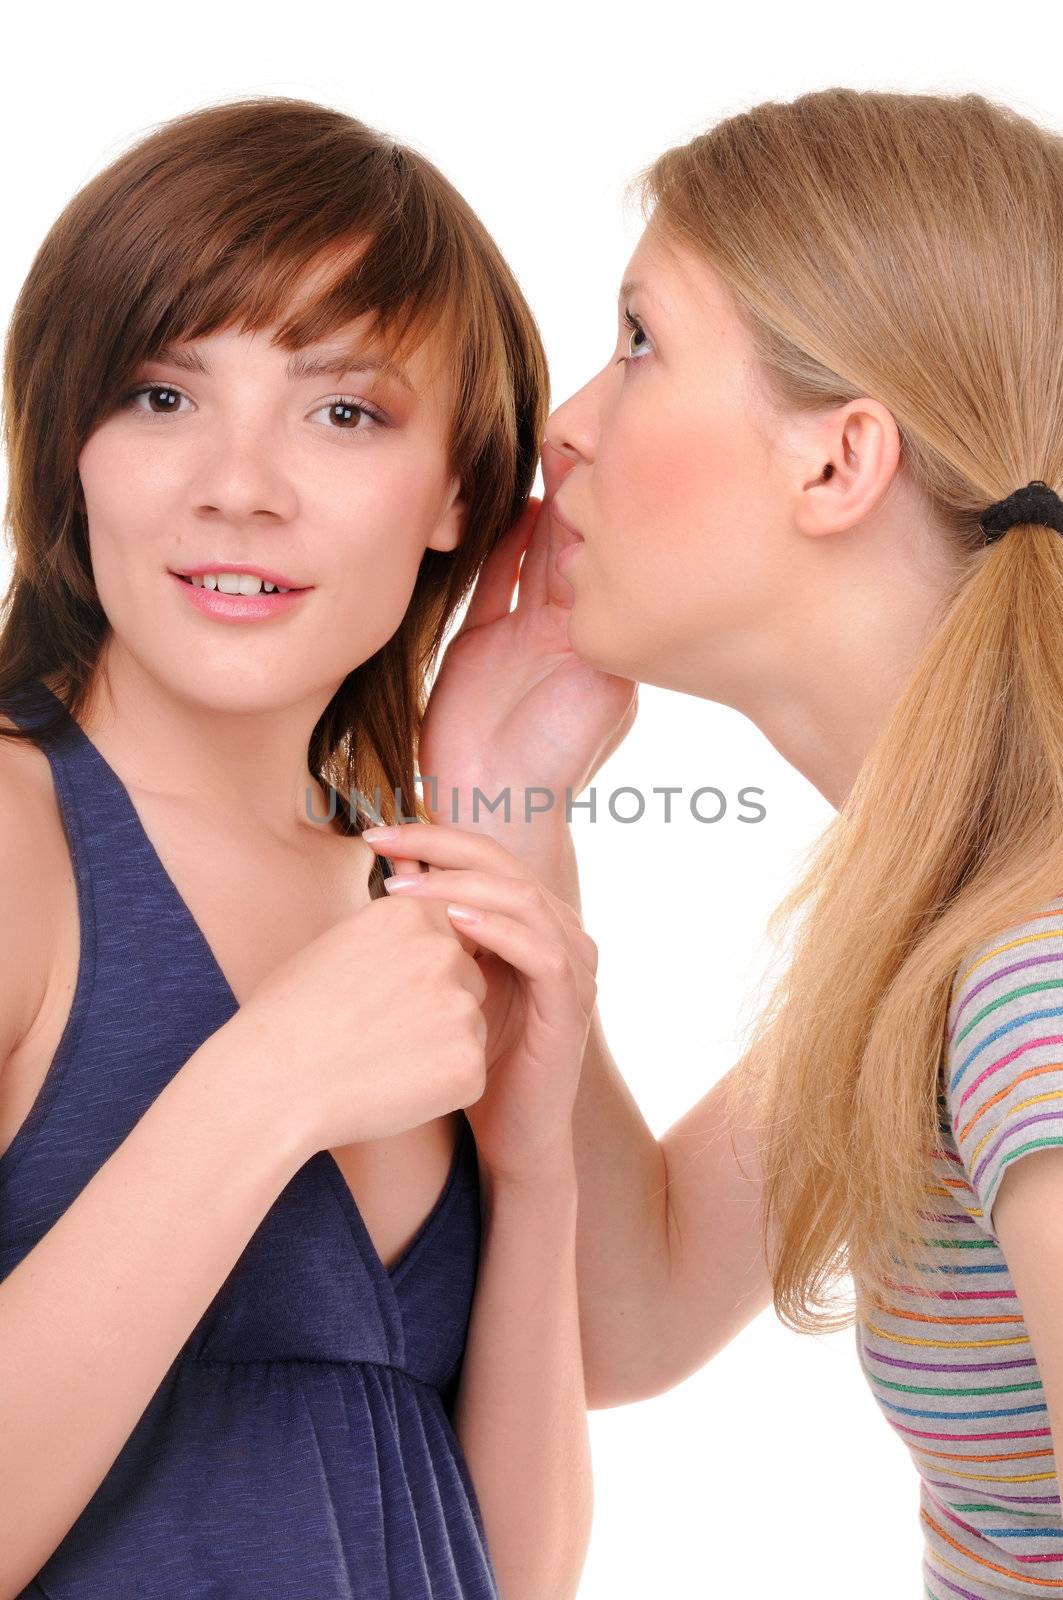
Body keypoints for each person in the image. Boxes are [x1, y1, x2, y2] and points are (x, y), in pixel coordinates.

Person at [365, 87, 1063, 1598]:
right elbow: (639, 1311)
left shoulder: (1036, 977)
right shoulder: (949, 922)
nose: (567, 429)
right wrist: (506, 807)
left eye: (640, 344)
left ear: (837, 463)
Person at [0, 95, 596, 1600]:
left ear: (462, 486)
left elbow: (502, 1571)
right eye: (159, 395)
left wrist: (532, 1176)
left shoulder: (413, 903)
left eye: (344, 411)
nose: (238, 484)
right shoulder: (20, 844)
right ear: (66, 441)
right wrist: (260, 1089)